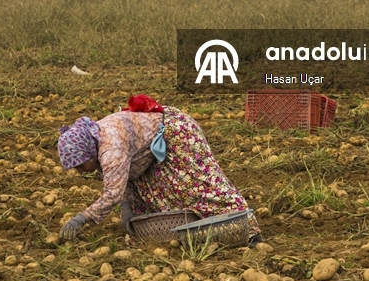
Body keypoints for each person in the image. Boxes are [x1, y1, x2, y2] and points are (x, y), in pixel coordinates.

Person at [57, 95, 260, 243]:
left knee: (198, 186)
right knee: (155, 192)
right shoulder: (96, 137)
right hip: (151, 149)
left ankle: (246, 228)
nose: (81, 171)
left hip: (177, 134)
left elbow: (112, 193)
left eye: (80, 164)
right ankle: (189, 231)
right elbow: (122, 178)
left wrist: (81, 219)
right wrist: (128, 210)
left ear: (87, 151)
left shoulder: (111, 149)